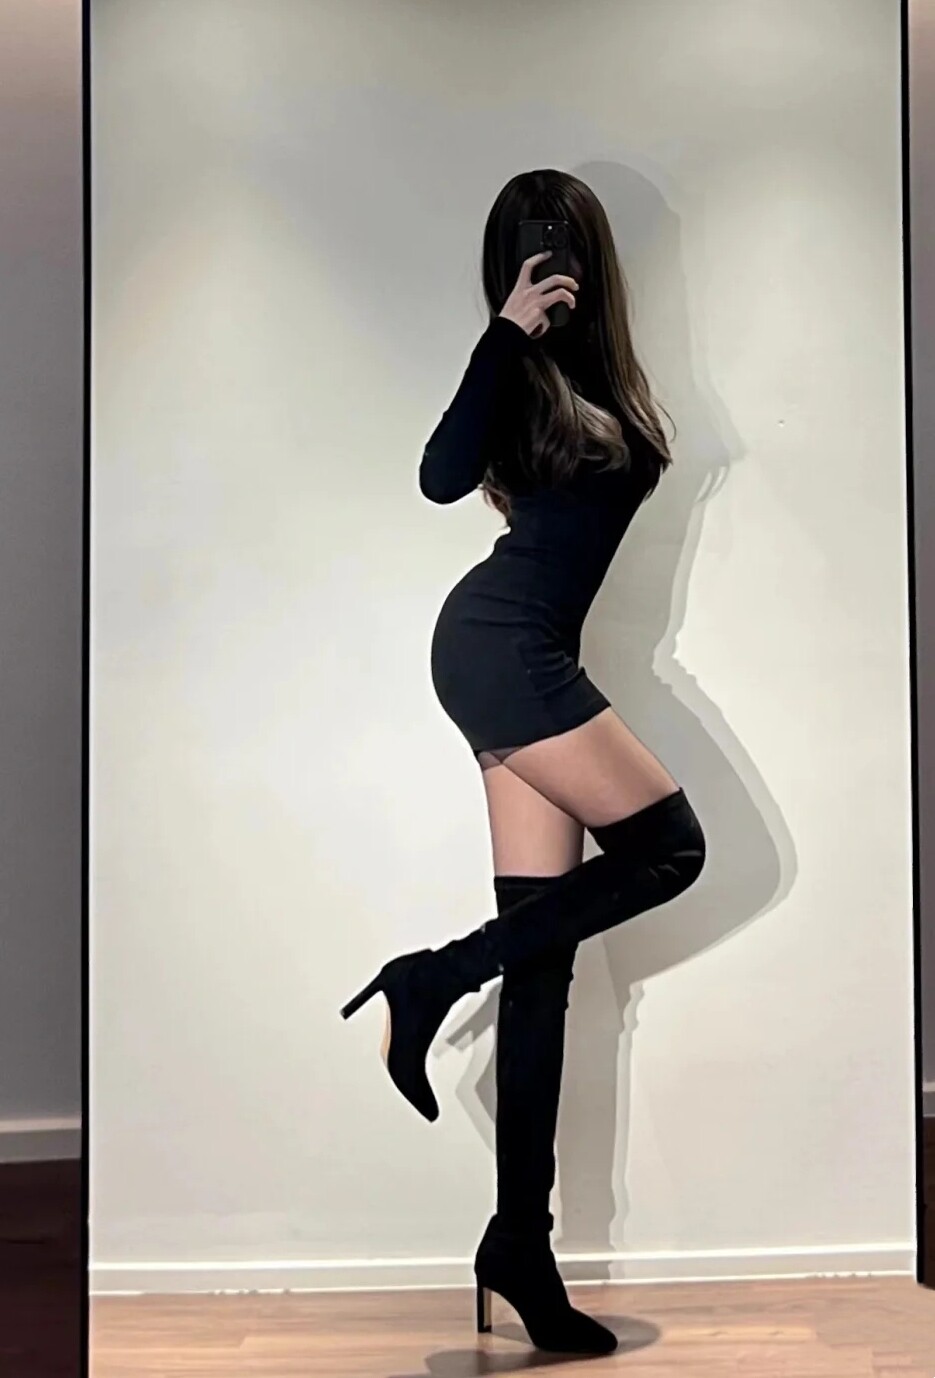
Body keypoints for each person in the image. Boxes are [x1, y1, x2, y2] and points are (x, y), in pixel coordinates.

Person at [341, 169, 706, 1355]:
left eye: (563, 240)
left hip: (527, 652)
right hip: (499, 644)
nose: (551, 258)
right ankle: (432, 978)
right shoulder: (517, 376)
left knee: (542, 959)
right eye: (527, 243)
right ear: (508, 262)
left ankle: (518, 1249)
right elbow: (439, 476)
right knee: (670, 848)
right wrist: (504, 334)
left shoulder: (602, 379)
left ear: (588, 253)